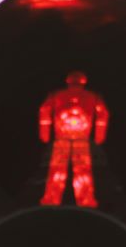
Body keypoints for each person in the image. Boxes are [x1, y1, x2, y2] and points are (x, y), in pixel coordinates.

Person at [38, 70, 109, 208]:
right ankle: (83, 202)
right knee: (77, 171)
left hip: (69, 138)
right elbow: (103, 114)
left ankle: (54, 200)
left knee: (61, 170)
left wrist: (45, 134)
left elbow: (44, 110)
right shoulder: (91, 96)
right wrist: (99, 136)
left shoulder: (58, 95)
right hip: (72, 138)